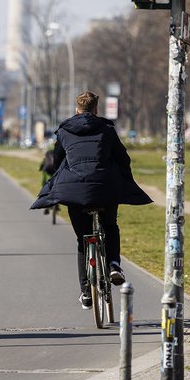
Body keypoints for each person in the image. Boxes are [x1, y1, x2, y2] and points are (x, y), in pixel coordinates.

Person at [45, 91, 152, 309]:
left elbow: (57, 162)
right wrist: (122, 178)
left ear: (77, 110)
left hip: (75, 192)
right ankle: (113, 264)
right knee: (110, 227)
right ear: (96, 110)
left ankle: (85, 292)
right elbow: (123, 158)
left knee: (82, 240)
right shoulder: (107, 129)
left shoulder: (64, 131)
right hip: (105, 188)